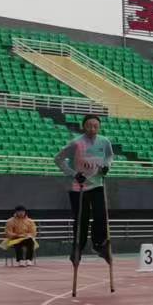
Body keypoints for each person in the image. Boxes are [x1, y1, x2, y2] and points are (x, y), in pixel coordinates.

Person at [54, 114, 114, 269]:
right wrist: (73, 174)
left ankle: (99, 244)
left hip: (97, 184)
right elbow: (58, 159)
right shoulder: (76, 143)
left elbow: (109, 156)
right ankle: (77, 250)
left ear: (99, 127)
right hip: (78, 187)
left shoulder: (104, 142)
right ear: (83, 126)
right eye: (89, 126)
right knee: (82, 220)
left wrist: (107, 166)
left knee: (101, 216)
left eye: (95, 126)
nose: (92, 129)